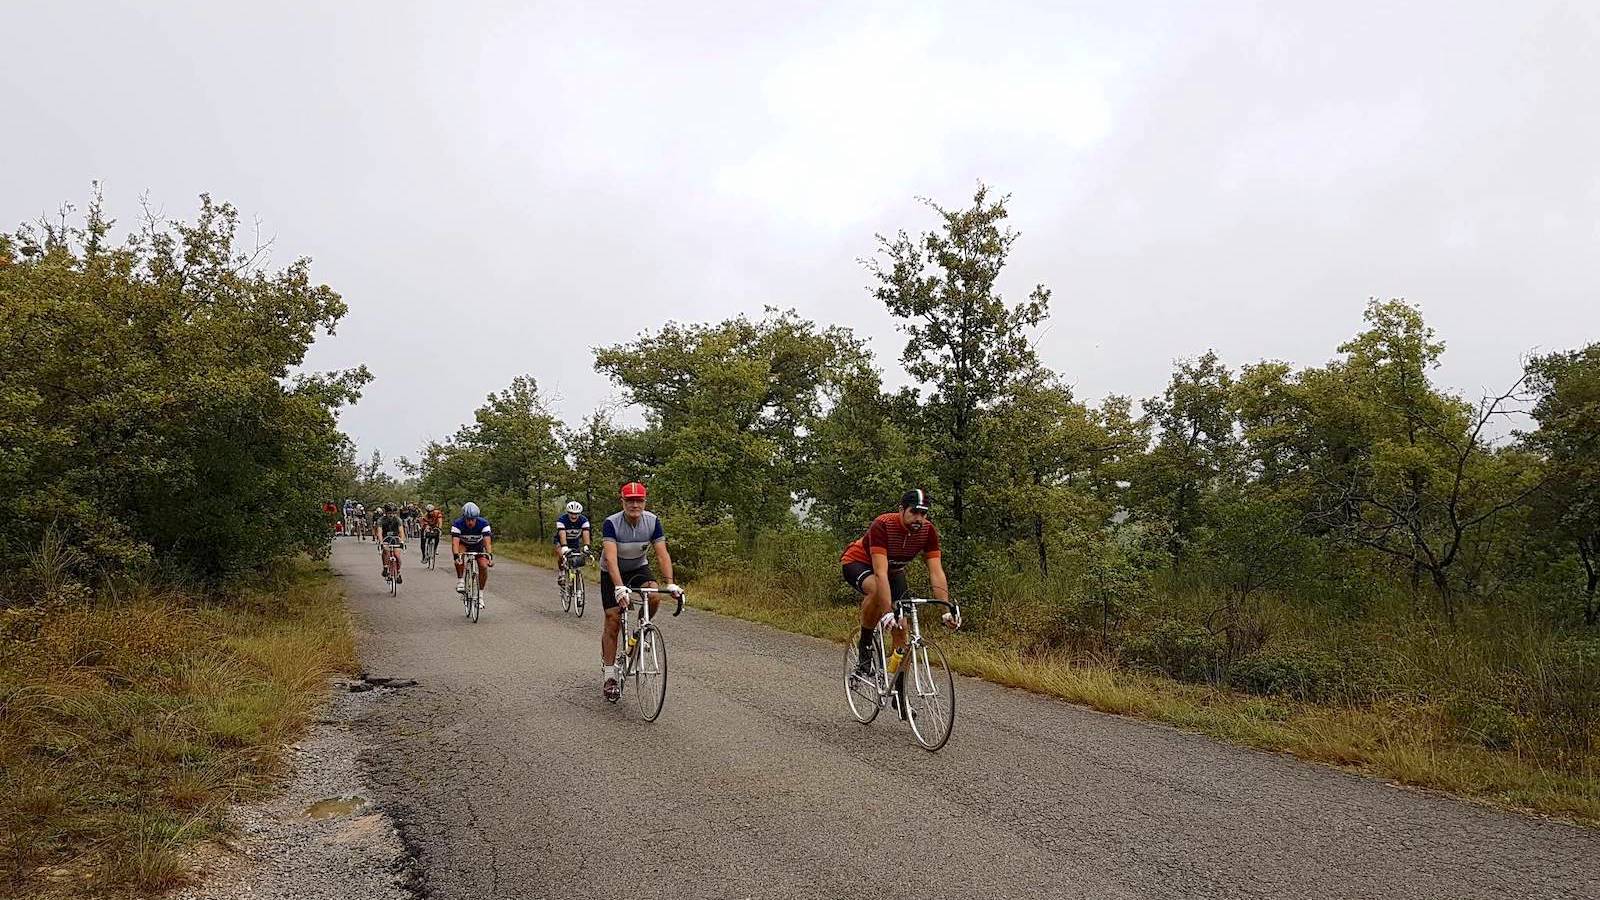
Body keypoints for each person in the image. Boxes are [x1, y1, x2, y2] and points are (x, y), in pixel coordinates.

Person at [842, 489, 958, 677]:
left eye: (923, 513)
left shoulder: (928, 531)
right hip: (859, 562)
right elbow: (880, 573)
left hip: (894, 571)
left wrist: (945, 610)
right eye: (914, 512)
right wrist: (887, 611)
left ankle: (899, 690)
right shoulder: (883, 524)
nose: (918, 519)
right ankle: (865, 644)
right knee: (877, 592)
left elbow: (936, 571)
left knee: (902, 629)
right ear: (901, 509)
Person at [599, 482, 681, 701]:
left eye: (639, 500)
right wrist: (618, 587)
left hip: (637, 567)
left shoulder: (652, 521)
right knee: (613, 618)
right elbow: (610, 558)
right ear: (622, 502)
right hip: (612, 571)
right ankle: (609, 675)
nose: (635, 504)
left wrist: (670, 582)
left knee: (653, 596)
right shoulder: (612, 523)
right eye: (630, 500)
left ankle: (641, 628)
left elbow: (662, 554)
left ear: (645, 501)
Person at [451, 502, 494, 606]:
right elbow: (455, 543)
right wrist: (456, 556)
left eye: (473, 519)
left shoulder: (483, 523)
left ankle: (480, 596)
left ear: (477, 518)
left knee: (483, 566)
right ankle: (461, 580)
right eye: (468, 519)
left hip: (478, 546)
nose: (470, 522)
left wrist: (490, 556)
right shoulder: (457, 523)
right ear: (464, 518)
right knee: (459, 556)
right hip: (463, 544)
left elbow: (487, 541)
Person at [553, 500, 591, 582]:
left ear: (579, 513)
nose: (574, 516)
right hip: (561, 541)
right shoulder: (562, 520)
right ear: (568, 513)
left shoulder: (584, 520)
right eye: (571, 513)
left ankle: (576, 579)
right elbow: (562, 534)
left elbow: (586, 533)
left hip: (574, 541)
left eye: (576, 514)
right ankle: (562, 573)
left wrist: (586, 546)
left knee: (577, 559)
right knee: (561, 556)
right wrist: (564, 547)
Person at [373, 503, 406, 583]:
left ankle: (398, 573)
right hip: (385, 538)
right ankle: (385, 567)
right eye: (389, 513)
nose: (391, 515)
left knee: (397, 556)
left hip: (395, 538)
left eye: (393, 513)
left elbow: (401, 531)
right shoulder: (381, 520)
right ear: (386, 513)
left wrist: (401, 541)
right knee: (386, 552)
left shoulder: (398, 519)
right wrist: (381, 542)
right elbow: (379, 532)